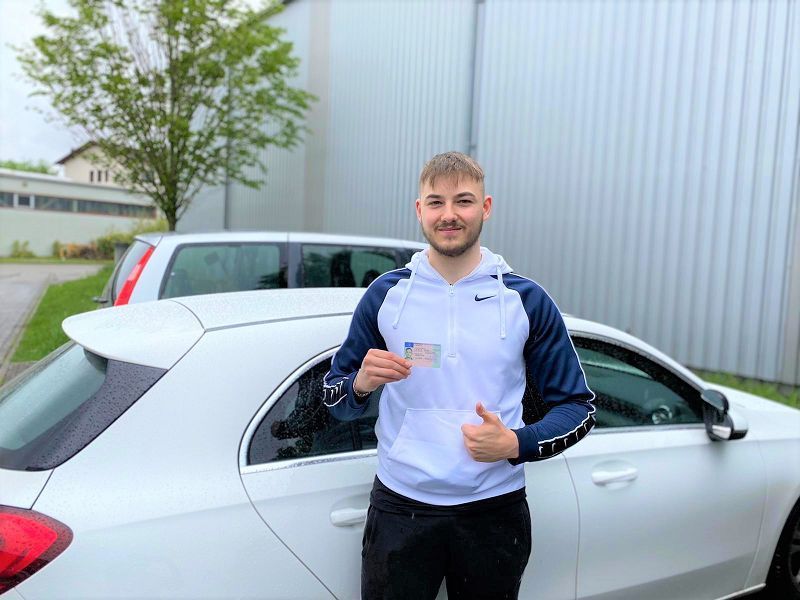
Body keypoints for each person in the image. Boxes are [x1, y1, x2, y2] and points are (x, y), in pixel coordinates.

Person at [323, 151, 596, 599]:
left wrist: (516, 444)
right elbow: (334, 398)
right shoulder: (386, 295)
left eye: (463, 201)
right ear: (419, 210)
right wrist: (359, 385)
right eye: (436, 202)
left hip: (493, 511)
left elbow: (577, 407)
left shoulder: (525, 300)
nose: (448, 214)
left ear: (485, 207)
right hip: (400, 507)